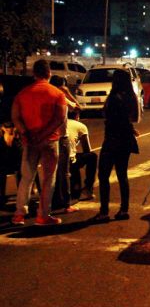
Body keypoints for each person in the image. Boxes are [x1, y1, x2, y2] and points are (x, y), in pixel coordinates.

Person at [11, 59, 67, 226]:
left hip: (29, 141)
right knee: (48, 179)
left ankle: (19, 214)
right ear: (49, 73)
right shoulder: (57, 94)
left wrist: (25, 133)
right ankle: (43, 215)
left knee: (26, 178)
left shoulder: (23, 93)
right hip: (49, 141)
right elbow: (59, 119)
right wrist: (43, 134)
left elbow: (15, 117)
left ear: (34, 74)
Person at [90, 69, 141, 223]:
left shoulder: (114, 97)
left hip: (112, 140)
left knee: (103, 175)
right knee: (122, 174)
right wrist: (131, 130)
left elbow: (113, 119)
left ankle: (104, 211)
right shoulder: (131, 97)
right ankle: (124, 209)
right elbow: (129, 119)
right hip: (125, 140)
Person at [49, 75, 80, 213]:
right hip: (61, 138)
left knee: (49, 172)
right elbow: (77, 107)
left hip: (47, 137)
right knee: (64, 172)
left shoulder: (47, 96)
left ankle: (50, 202)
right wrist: (67, 92)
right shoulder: (62, 97)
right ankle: (66, 203)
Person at [67, 110, 97, 201]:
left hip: (55, 158)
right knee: (92, 156)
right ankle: (88, 188)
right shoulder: (80, 126)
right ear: (77, 116)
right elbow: (87, 149)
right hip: (70, 160)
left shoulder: (60, 123)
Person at [0, 122, 22, 207]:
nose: (10, 130)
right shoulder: (1, 140)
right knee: (1, 172)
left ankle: (21, 197)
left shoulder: (17, 140)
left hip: (15, 162)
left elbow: (20, 154)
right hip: (4, 163)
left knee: (20, 171)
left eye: (12, 128)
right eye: (8, 128)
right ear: (3, 129)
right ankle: (1, 197)